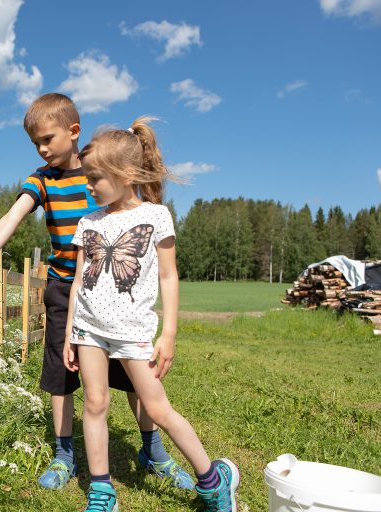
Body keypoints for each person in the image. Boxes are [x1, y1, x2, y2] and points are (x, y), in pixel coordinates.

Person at [0, 93, 192, 491]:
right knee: (61, 374)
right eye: (36, 144)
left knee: (134, 374)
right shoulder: (41, 180)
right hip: (67, 288)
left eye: (47, 139)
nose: (42, 149)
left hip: (117, 290)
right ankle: (65, 454)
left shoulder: (104, 169)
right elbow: (13, 216)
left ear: (74, 132)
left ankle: (152, 449)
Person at [63, 120, 240, 511]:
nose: (88, 186)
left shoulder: (156, 216)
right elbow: (78, 283)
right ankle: (101, 490)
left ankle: (213, 481)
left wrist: (170, 333)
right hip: (89, 330)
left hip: (133, 334)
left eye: (95, 178)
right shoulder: (87, 222)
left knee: (157, 409)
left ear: (125, 175)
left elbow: (168, 276)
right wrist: (69, 336)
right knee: (94, 404)